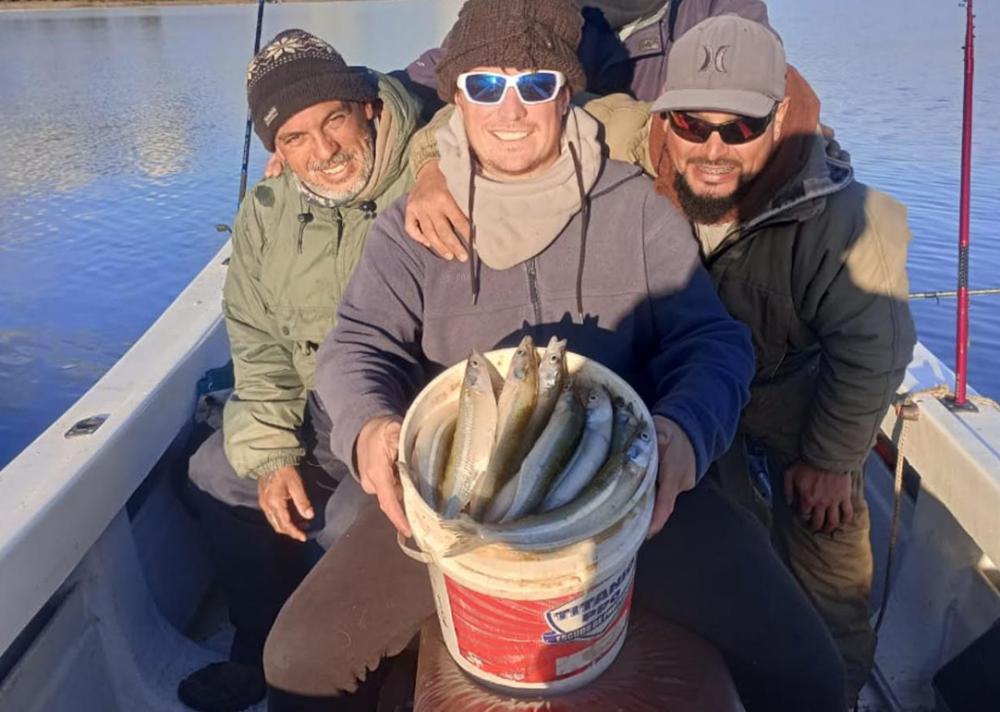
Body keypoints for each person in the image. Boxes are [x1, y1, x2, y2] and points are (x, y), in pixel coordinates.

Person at [262, 2, 847, 711]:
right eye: (485, 86)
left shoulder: (636, 207)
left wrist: (684, 434)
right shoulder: (409, 225)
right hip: (454, 508)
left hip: (627, 496)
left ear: (566, 93)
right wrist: (370, 428)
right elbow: (358, 342)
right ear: (455, 99)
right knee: (295, 660)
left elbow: (713, 343)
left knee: (811, 670)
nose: (510, 110)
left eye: (534, 85)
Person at [404, 14, 918, 704]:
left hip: (799, 391)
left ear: (778, 117)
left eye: (738, 129)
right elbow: (494, 119)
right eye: (689, 125)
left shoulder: (854, 221)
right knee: (730, 534)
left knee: (830, 554)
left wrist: (830, 460)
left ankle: (840, 687)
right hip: (690, 385)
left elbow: (875, 354)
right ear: (662, 115)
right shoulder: (621, 131)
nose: (710, 149)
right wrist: (429, 169)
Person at [178, 29, 422, 712]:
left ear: (367, 109)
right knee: (216, 472)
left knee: (349, 520)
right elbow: (257, 346)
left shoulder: (433, 176)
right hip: (319, 411)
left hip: (408, 416)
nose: (324, 152)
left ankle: (359, 674)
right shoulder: (265, 215)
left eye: (334, 121)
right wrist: (271, 456)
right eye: (294, 139)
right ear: (275, 153)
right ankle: (256, 650)